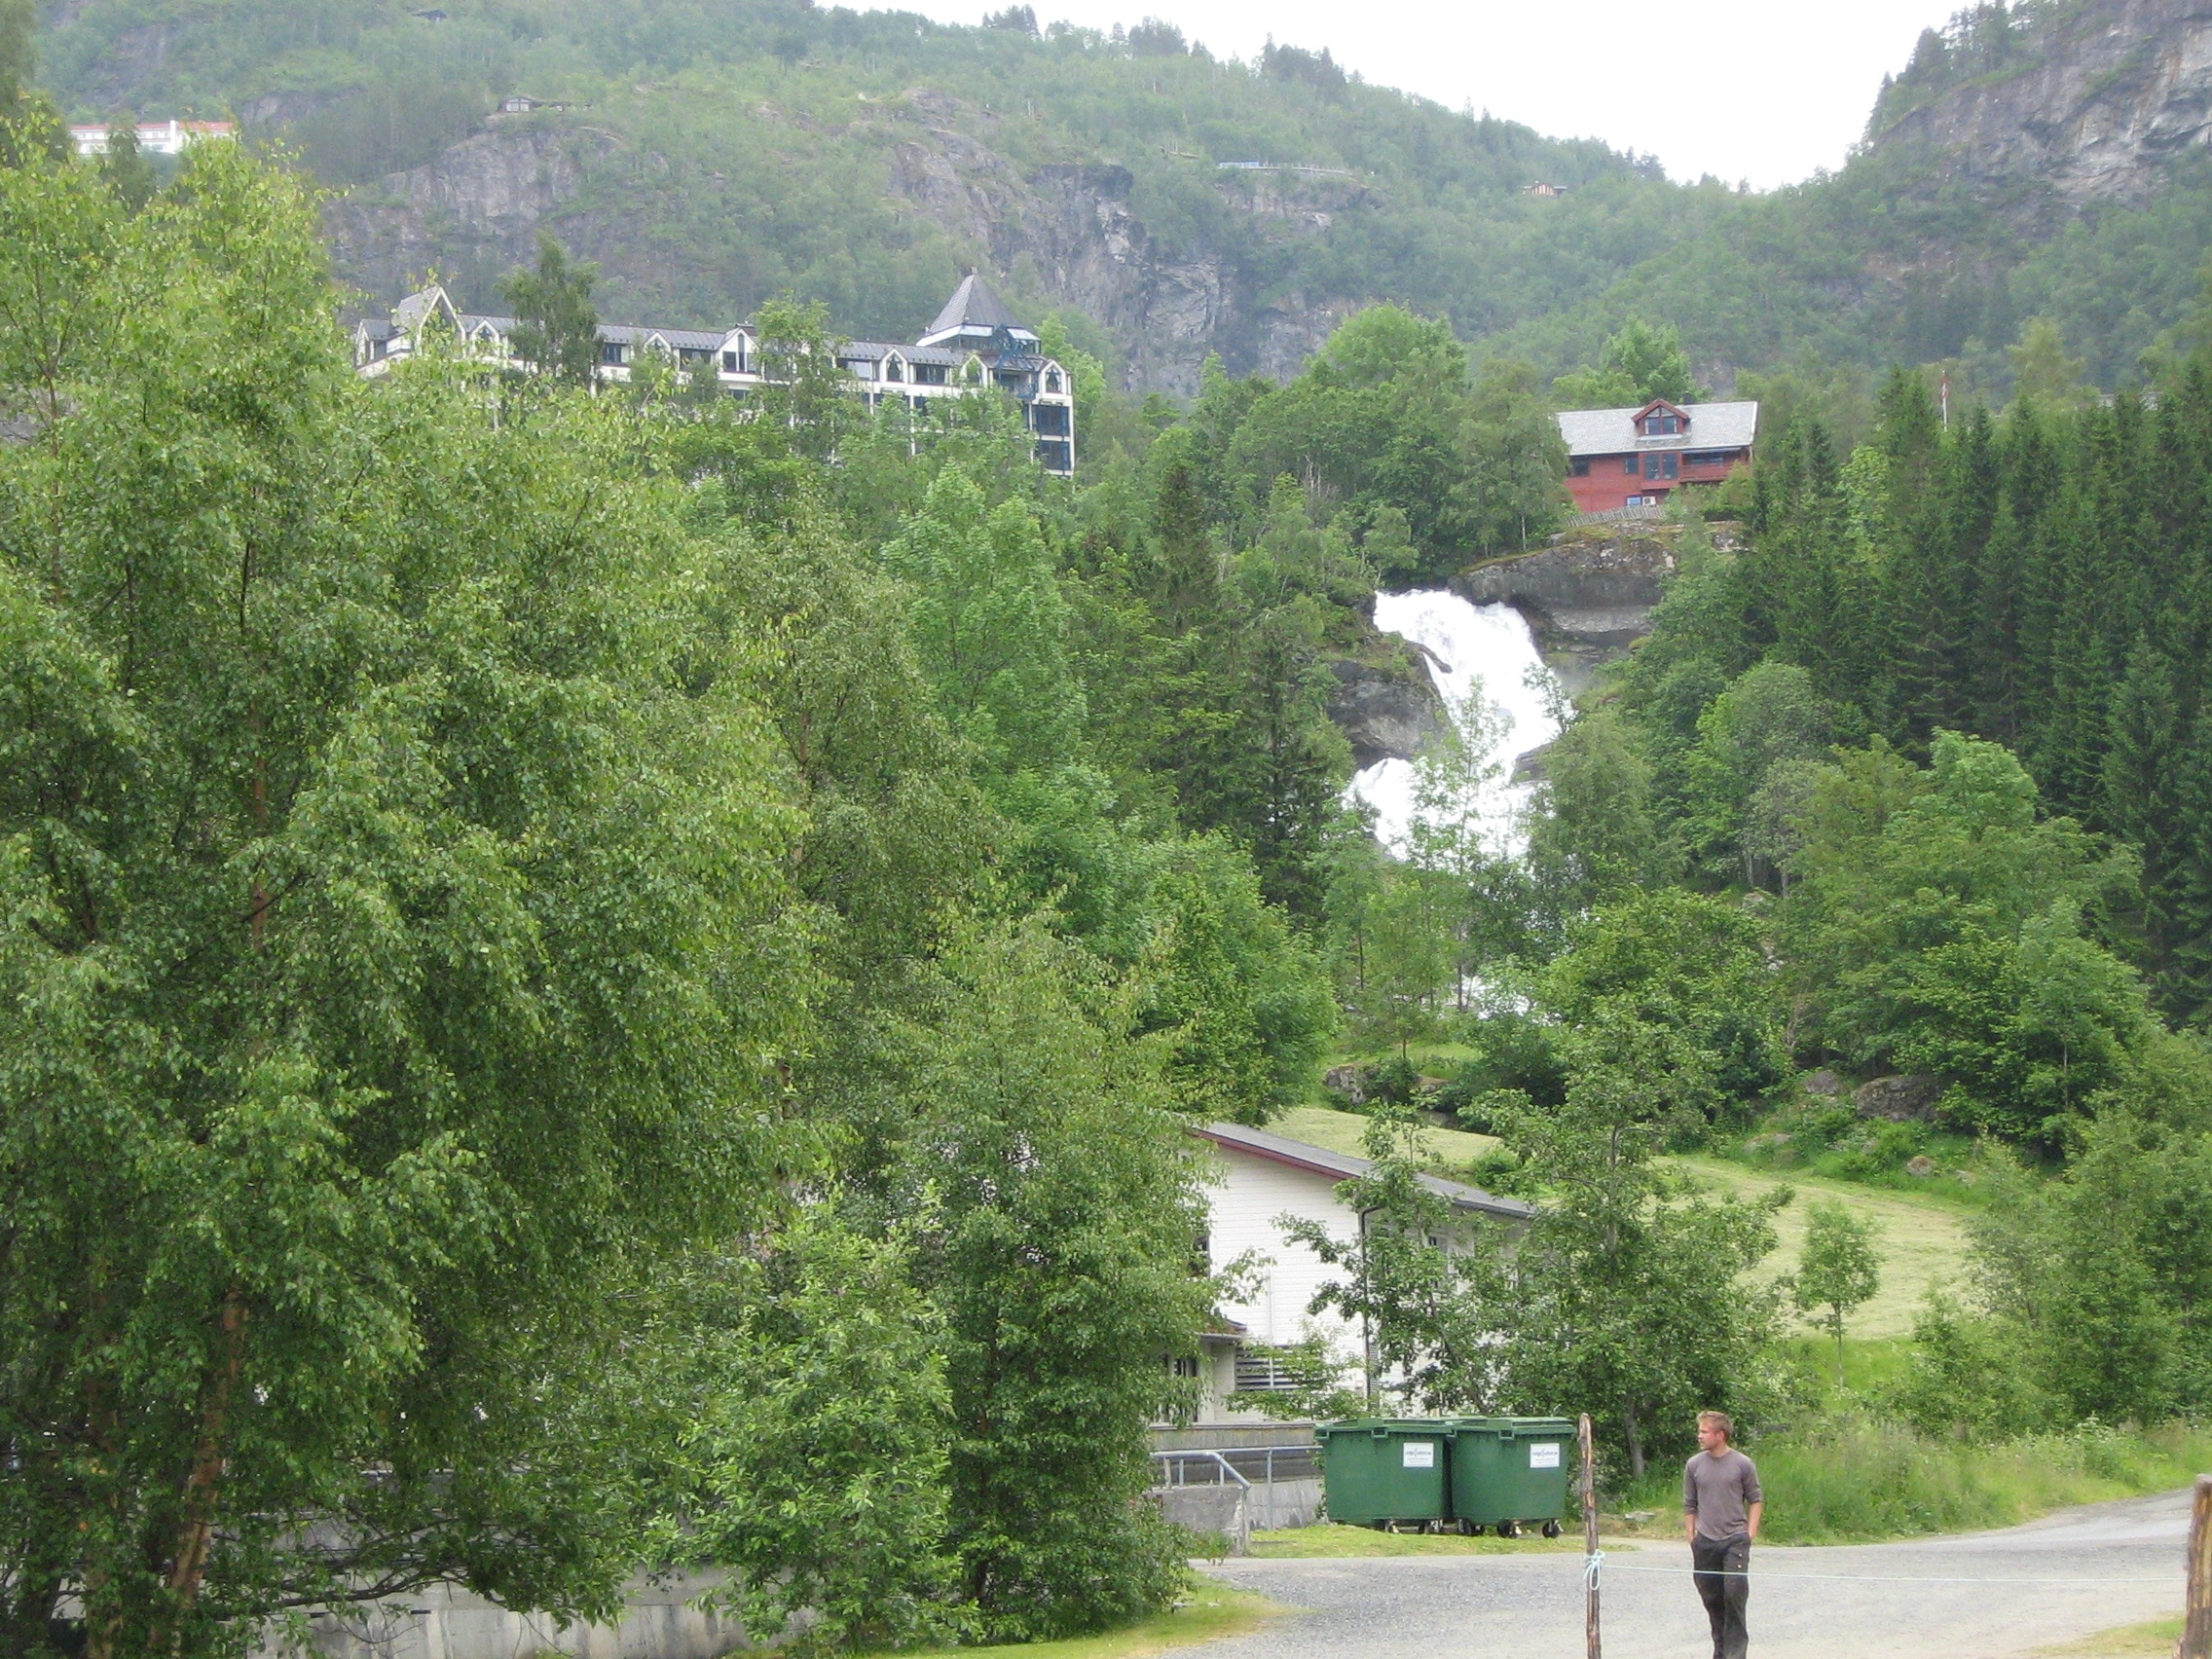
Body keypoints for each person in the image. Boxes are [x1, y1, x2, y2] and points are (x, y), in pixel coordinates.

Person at [1683, 1409, 1762, 1659]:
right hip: (1705, 1541)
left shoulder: (1742, 1464)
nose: (1699, 1436)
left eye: (1704, 1431)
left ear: (1720, 1434)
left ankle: (1736, 1654)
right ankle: (1720, 1650)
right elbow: (1689, 1503)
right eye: (1700, 1431)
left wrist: (1749, 1533)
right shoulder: (1694, 1465)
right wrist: (1691, 1536)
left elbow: (1756, 1499)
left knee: (1734, 1595)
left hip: (1735, 1539)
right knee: (1712, 1598)